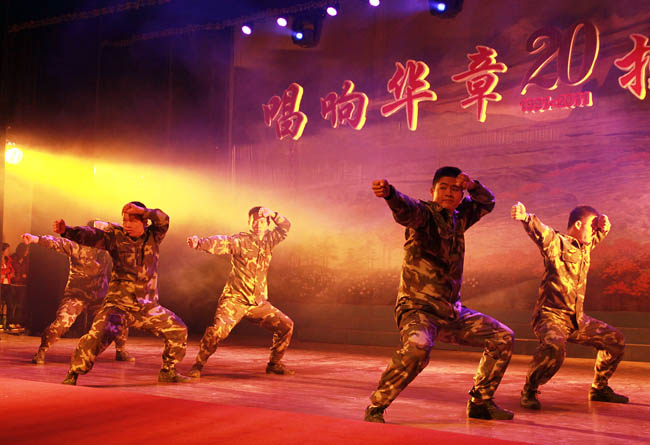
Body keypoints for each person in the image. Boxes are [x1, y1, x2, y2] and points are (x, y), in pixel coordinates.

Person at [365, 167, 514, 423]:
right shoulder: (425, 215)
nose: (449, 193)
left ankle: (480, 402)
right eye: (443, 187)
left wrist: (473, 185)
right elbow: (405, 209)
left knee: (502, 337)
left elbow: (487, 202)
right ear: (432, 191)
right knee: (418, 348)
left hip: (450, 312)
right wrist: (390, 194)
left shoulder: (460, 217)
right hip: (418, 309)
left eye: (455, 189)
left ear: (461, 194)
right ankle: (376, 406)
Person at [54, 201, 189, 385]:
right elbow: (93, 235)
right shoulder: (116, 237)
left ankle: (168, 370)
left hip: (146, 307)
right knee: (97, 337)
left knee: (178, 329)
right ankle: (74, 372)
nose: (127, 224)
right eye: (125, 220)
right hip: (118, 305)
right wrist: (67, 231)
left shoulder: (154, 236)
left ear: (145, 222)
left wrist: (143, 210)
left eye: (133, 220)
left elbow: (163, 219)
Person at [511, 202, 628, 409]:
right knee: (555, 347)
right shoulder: (557, 243)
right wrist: (525, 217)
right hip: (551, 318)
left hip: (576, 320)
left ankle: (599, 388)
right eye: (591, 227)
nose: (594, 232)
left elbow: (598, 235)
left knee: (615, 340)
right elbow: (542, 232)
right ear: (578, 224)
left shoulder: (585, 248)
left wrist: (604, 227)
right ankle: (530, 389)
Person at [185, 206, 294, 378]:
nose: (258, 224)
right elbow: (223, 242)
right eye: (254, 221)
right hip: (234, 300)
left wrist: (273, 214)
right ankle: (198, 365)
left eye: (262, 221)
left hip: (258, 303)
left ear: (267, 223)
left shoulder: (269, 240)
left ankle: (274, 364)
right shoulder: (241, 241)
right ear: (249, 222)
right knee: (217, 332)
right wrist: (199, 243)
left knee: (286, 325)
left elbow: (285, 226)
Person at [21, 230, 133, 364]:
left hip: (99, 297)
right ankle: (42, 350)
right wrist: (35, 239)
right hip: (76, 296)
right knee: (62, 323)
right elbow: (57, 243)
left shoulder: (107, 248)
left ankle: (121, 350)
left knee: (119, 315)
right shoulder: (76, 246)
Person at [8, 242, 29, 333]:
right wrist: (18, 277)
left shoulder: (27, 260)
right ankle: (10, 322)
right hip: (13, 285)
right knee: (12, 304)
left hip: (22, 285)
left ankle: (17, 322)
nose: (27, 252)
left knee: (20, 305)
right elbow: (11, 271)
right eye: (26, 250)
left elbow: (27, 271)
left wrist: (25, 276)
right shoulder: (13, 258)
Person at [1, 242, 14, 331]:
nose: (9, 251)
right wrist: (7, 273)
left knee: (10, 304)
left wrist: (5, 274)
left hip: (7, 284)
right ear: (3, 251)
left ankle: (8, 324)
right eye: (7, 250)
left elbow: (12, 272)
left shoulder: (9, 260)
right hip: (1, 285)